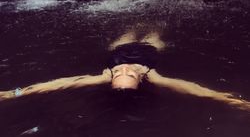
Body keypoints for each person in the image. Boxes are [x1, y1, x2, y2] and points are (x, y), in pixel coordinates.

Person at [0, 31, 250, 112]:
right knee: (153, 34)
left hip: (118, 51)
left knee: (126, 35)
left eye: (122, 74)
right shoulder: (151, 74)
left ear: (111, 79)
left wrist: (15, 93)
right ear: (140, 80)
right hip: (147, 53)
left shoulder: (105, 74)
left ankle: (131, 30)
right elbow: (193, 89)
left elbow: (60, 83)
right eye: (129, 75)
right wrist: (229, 99)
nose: (127, 70)